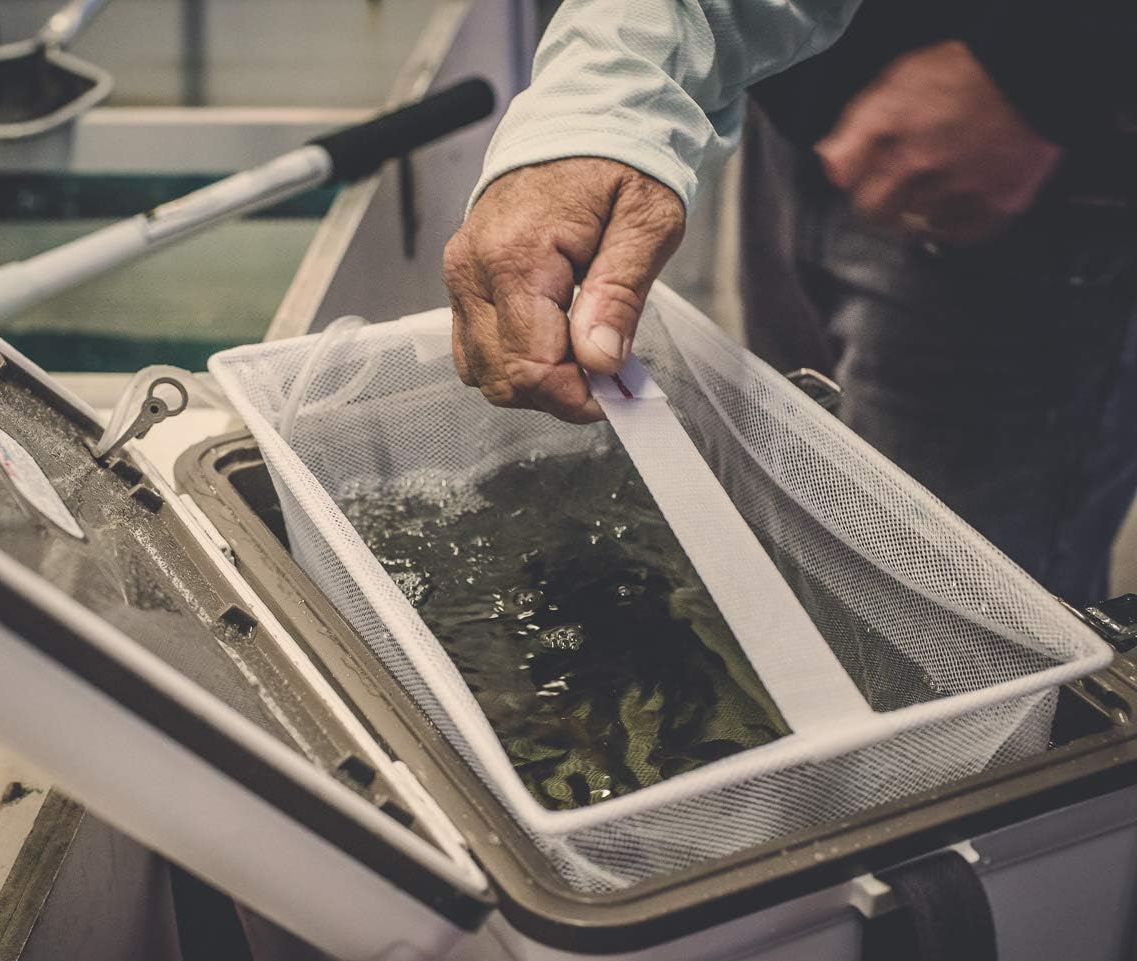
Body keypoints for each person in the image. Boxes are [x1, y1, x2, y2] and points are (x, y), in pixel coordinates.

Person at [443, 0, 1137, 601]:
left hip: (1031, 171)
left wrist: (1038, 67)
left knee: (958, 602)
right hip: (800, 107)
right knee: (799, 515)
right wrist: (591, 117)